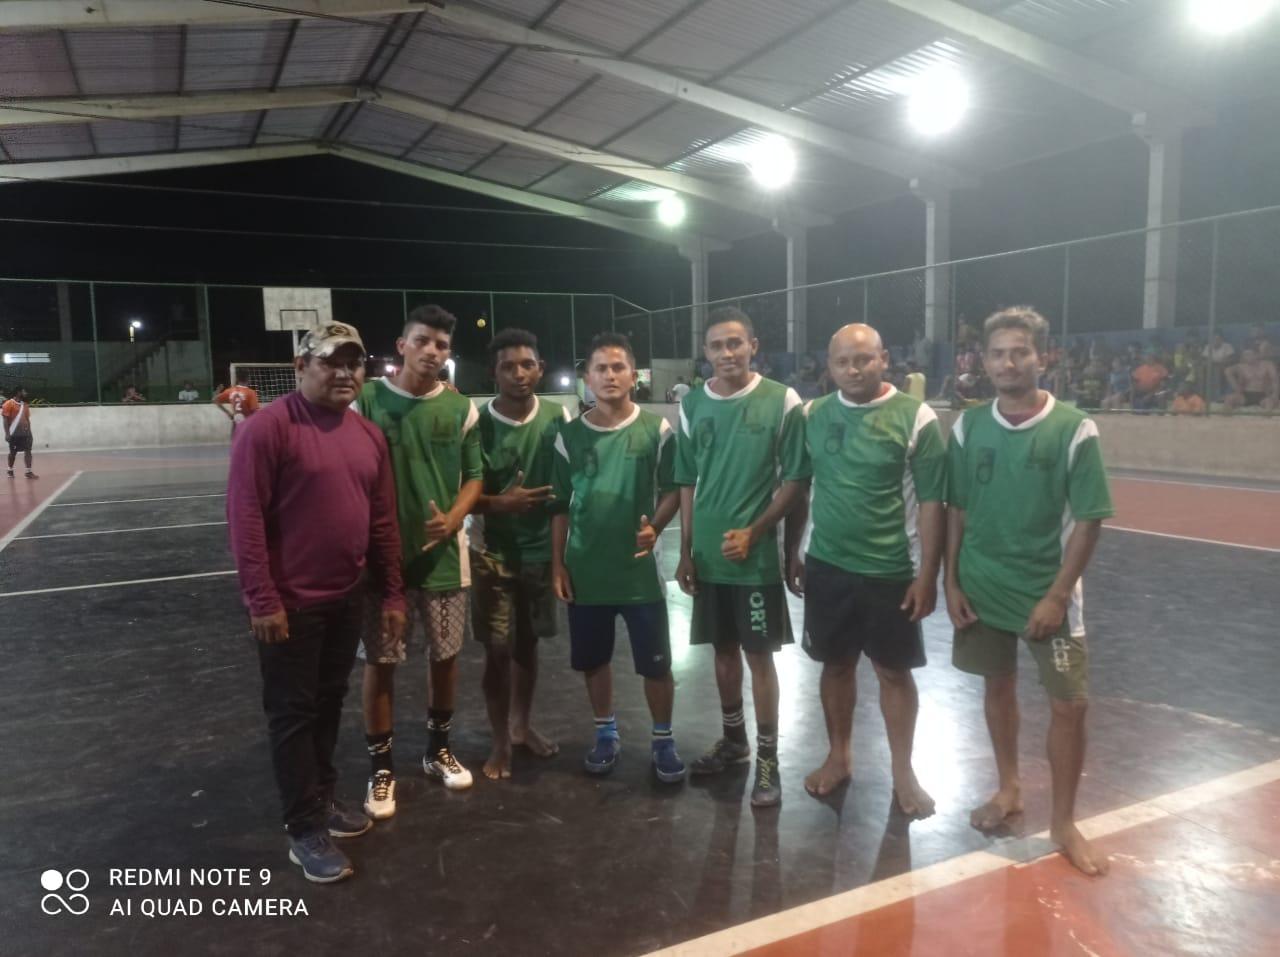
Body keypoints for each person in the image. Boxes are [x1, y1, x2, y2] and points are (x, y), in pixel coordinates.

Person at [226, 321, 406, 884]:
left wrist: (393, 591)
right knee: (292, 715)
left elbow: (381, 521)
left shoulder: (368, 435)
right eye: (332, 362)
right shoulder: (267, 429)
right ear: (301, 366)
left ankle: (322, 799)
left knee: (328, 703)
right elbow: (246, 517)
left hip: (345, 598)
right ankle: (303, 829)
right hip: (289, 607)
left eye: (354, 362)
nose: (346, 372)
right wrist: (262, 599)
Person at [945, 306, 1114, 877]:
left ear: (1043, 356)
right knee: (998, 687)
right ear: (983, 361)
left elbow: (1089, 522)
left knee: (1071, 705)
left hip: (1048, 594)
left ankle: (1065, 822)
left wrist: (1058, 596)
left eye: (1020, 351)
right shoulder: (969, 426)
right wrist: (951, 580)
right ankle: (1010, 788)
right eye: (997, 353)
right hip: (982, 586)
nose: (1008, 362)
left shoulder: (1074, 427)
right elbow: (957, 510)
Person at [786, 325, 945, 813]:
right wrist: (792, 551)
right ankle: (839, 757)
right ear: (828, 367)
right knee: (835, 666)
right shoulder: (812, 415)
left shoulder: (916, 417)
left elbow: (933, 503)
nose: (853, 370)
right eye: (842, 362)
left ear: (884, 359)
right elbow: (798, 487)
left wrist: (927, 575)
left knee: (893, 672)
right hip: (827, 566)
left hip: (890, 570)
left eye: (864, 359)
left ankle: (904, 772)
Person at [675, 307, 809, 808]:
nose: (727, 353)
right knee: (722, 651)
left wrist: (759, 535)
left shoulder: (782, 400)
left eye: (736, 343)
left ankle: (769, 759)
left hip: (752, 559)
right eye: (716, 346)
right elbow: (687, 479)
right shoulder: (692, 404)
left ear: (754, 345)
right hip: (709, 557)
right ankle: (735, 742)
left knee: (758, 656)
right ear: (706, 353)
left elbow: (797, 481)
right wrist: (687, 548)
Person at [355, 305, 483, 820]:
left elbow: (475, 477)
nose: (433, 351)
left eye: (443, 345)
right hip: (381, 564)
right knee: (381, 664)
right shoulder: (364, 401)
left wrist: (453, 517)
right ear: (401, 346)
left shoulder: (461, 409)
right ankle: (381, 768)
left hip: (444, 563)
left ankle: (436, 750)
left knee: (445, 658)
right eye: (423, 341)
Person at [550, 332, 685, 782]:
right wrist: (558, 563)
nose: (609, 375)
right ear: (586, 377)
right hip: (587, 571)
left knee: (656, 663)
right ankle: (605, 732)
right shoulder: (568, 436)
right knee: (594, 660)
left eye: (618, 367)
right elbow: (558, 506)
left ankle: (663, 739)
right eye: (600, 368)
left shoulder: (656, 430)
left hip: (639, 573)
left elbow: (673, 491)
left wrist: (657, 527)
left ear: (634, 376)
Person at [469, 329, 569, 781]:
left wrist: (560, 558)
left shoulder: (558, 417)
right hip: (492, 553)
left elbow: (565, 494)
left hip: (539, 554)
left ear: (540, 369)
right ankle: (497, 742)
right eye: (508, 366)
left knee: (528, 646)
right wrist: (499, 504)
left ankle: (521, 727)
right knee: (496, 650)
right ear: (494, 373)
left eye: (527, 364)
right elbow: (461, 494)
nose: (518, 373)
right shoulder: (476, 423)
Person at [3, 384, 38, 479]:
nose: (25, 393)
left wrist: (30, 433)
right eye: (24, 391)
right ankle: (10, 469)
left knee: (28, 451)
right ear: (18, 392)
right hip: (14, 434)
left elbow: (27, 419)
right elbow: (5, 420)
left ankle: (28, 471)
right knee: (13, 453)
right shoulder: (8, 404)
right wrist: (7, 434)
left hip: (25, 434)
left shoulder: (25, 405)